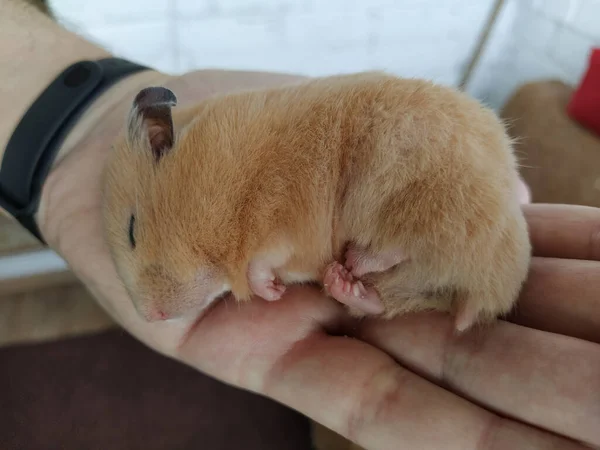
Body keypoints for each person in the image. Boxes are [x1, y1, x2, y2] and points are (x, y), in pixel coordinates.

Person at [2, 1, 599, 448]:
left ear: (164, 139)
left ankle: (409, 255)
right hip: (416, 250)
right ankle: (398, 274)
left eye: (135, 236)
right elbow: (301, 236)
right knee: (363, 285)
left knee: (407, 157)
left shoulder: (247, 145)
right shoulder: (244, 216)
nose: (147, 301)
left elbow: (294, 197)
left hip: (426, 183)